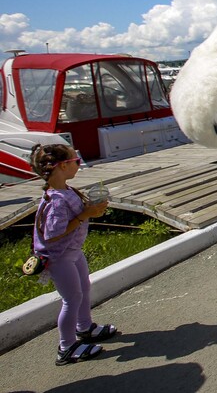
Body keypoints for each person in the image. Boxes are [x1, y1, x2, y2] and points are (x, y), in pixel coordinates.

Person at [29, 143, 117, 365]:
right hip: (59, 257)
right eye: (75, 161)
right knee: (72, 298)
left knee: (84, 288)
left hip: (73, 252)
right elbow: (52, 235)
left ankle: (84, 327)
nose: (79, 164)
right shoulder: (56, 201)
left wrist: (91, 208)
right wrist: (84, 214)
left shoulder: (66, 190)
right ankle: (66, 347)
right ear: (61, 166)